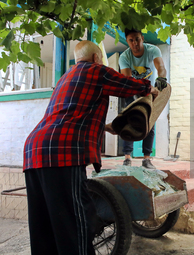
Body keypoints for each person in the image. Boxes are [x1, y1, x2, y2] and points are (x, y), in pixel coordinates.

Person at [23, 40, 159, 255]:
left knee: (44, 227)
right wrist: (148, 88)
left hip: (35, 149)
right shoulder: (96, 70)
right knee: (73, 225)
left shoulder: (65, 79)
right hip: (62, 151)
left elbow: (72, 114)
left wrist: (108, 127)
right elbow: (126, 84)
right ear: (96, 58)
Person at [119, 28, 168, 169]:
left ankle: (147, 159)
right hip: (131, 90)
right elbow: (129, 80)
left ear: (142, 39)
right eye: (131, 40)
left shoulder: (153, 50)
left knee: (149, 122)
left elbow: (161, 67)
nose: (135, 43)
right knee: (129, 121)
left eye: (137, 39)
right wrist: (145, 89)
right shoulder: (124, 57)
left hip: (149, 92)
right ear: (127, 42)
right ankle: (127, 157)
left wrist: (161, 78)